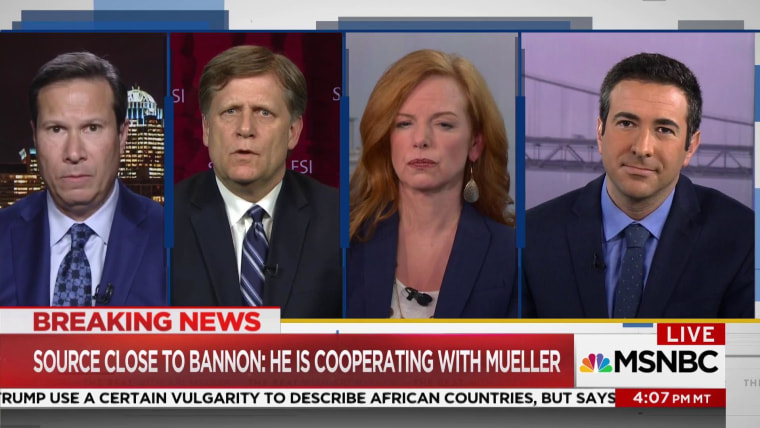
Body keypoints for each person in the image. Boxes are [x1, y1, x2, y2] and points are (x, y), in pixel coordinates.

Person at [523, 52, 754, 318]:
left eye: (664, 130)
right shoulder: (531, 236)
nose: (642, 148)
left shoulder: (744, 238)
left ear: (691, 147)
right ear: (600, 133)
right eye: (626, 123)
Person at [172, 45, 341, 317]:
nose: (245, 129)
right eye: (230, 111)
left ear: (293, 131)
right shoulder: (164, 218)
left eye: (264, 112)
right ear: (206, 129)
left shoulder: (339, 219)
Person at [347, 49, 517, 318]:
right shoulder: (346, 240)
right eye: (404, 123)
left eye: (443, 124)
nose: (421, 139)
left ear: (475, 144)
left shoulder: (512, 255)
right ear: (386, 138)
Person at [0, 52, 165, 306]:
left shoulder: (173, 239)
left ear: (122, 136)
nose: (74, 153)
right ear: (35, 136)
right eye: (56, 129)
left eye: (92, 128)